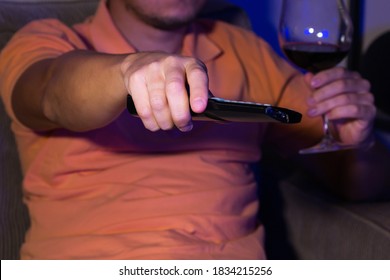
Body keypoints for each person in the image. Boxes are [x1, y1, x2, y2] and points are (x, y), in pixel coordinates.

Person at [0, 0, 387, 259]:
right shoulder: (48, 40)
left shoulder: (246, 50)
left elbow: (353, 182)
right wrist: (127, 71)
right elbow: (52, 92)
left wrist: (359, 141)